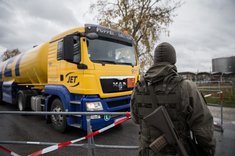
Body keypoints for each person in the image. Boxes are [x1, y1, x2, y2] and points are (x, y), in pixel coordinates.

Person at [131, 42, 215, 156]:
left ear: (155, 61)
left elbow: (135, 119)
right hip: (176, 151)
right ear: (173, 60)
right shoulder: (186, 87)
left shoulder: (139, 87)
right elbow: (203, 128)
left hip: (146, 151)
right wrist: (207, 151)